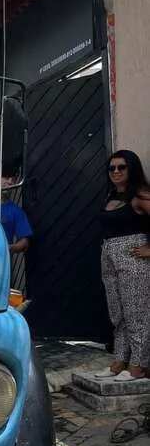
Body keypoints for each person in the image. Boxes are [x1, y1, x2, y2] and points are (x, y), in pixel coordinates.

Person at [99, 149, 150, 379]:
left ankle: (138, 365)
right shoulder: (111, 196)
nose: (116, 172)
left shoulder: (140, 195)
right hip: (109, 256)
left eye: (121, 167)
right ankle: (120, 359)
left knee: (136, 311)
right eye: (112, 168)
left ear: (132, 168)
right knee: (117, 311)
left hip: (133, 257)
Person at [0, 174, 32, 256]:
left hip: (0, 260)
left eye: (13, 179)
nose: (10, 182)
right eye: (6, 177)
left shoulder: (16, 211)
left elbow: (24, 242)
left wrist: (9, 248)